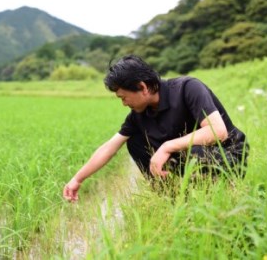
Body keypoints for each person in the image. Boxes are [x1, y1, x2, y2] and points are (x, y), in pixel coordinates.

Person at [63, 55, 248, 202]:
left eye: (123, 97)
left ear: (142, 87)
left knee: (195, 150)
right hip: (192, 159)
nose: (123, 103)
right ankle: (172, 198)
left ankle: (219, 195)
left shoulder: (188, 88)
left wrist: (167, 146)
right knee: (134, 142)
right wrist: (77, 179)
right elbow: (109, 147)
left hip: (227, 153)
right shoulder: (139, 114)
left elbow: (217, 131)